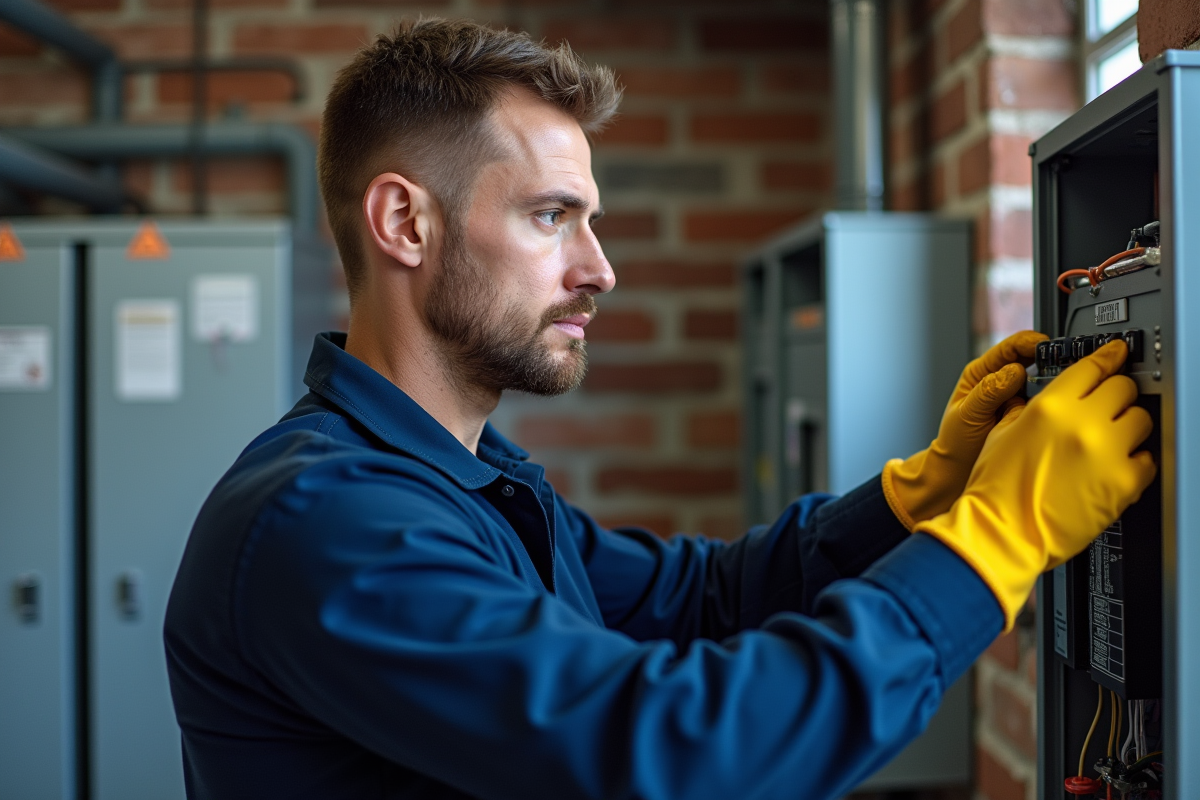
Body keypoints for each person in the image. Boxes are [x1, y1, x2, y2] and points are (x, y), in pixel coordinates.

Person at [164, 18, 1155, 800]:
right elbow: (673, 756)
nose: (600, 268)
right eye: (552, 216)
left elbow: (695, 600)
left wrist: (913, 497)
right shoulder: (328, 523)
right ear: (404, 223)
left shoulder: (471, 478)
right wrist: (996, 540)